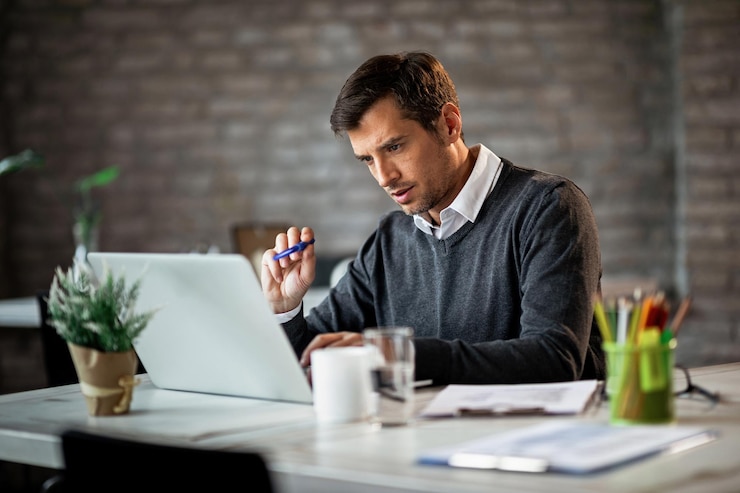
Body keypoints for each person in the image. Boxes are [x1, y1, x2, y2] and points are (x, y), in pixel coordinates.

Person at [261, 51, 605, 385]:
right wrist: (285, 311)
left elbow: (554, 360)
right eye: (367, 159)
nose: (383, 177)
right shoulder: (389, 241)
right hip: (420, 439)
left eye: (394, 147)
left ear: (449, 125)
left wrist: (401, 355)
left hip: (524, 441)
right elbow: (312, 360)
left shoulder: (549, 207)